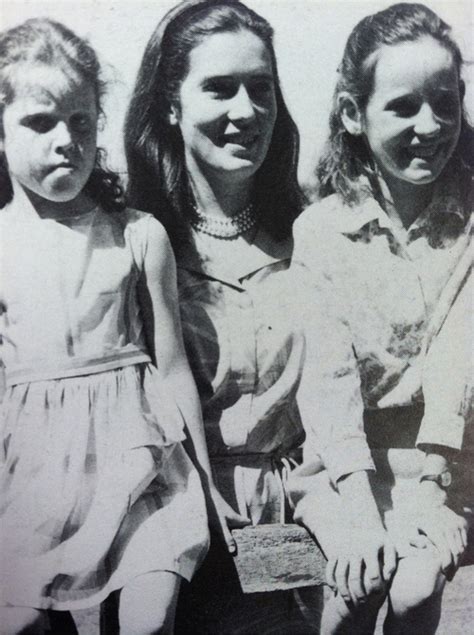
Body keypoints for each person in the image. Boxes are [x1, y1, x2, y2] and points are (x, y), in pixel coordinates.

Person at [0, 17, 228, 635]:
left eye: (80, 121)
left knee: (149, 623)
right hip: (33, 481)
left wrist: (206, 488)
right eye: (40, 122)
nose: (65, 141)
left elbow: (174, 366)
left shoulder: (137, 233)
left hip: (139, 466)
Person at [122, 1, 322, 632]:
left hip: (287, 523)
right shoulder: (130, 245)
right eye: (219, 88)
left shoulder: (312, 237)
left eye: (260, 90)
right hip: (168, 531)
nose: (246, 112)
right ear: (171, 106)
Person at [287, 3, 473, 634]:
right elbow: (328, 378)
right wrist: (360, 514)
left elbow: (458, 363)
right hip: (345, 465)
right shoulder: (321, 232)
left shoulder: (470, 228)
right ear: (352, 115)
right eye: (402, 106)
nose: (430, 125)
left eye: (445, 101)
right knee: (355, 585)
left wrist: (430, 489)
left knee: (416, 590)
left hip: (442, 464)